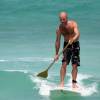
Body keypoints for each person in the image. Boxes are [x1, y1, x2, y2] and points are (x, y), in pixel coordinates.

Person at [54, 11, 80, 88]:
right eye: (61, 19)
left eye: (64, 19)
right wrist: (56, 54)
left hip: (75, 44)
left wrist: (73, 39)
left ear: (67, 18)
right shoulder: (59, 29)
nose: (62, 21)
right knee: (64, 64)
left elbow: (77, 33)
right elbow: (57, 41)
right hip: (66, 45)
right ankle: (62, 83)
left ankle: (74, 83)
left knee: (74, 65)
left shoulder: (73, 24)